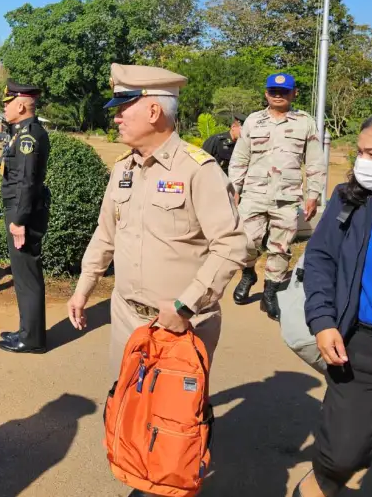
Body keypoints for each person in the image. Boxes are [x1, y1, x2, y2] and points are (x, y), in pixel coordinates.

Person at [67, 64, 250, 386]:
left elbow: (231, 245)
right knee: (123, 402)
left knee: (173, 412)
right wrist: (83, 289)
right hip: (126, 317)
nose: (116, 118)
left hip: (181, 323)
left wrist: (185, 306)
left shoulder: (198, 170)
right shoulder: (123, 169)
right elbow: (105, 234)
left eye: (123, 108)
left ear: (153, 112)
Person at [295, 110, 372, 497]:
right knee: (340, 456)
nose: (361, 162)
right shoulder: (350, 200)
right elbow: (320, 259)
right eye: (359, 152)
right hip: (362, 350)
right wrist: (323, 321)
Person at [228, 73, 326, 320]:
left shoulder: (305, 122)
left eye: (284, 91)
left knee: (280, 247)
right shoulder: (254, 121)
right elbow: (240, 158)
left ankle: (270, 292)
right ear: (266, 93)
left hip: (287, 197)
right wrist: (234, 189)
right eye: (273, 91)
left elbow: (315, 161)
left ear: (294, 94)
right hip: (254, 193)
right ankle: (248, 273)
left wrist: (313, 194)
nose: (278, 95)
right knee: (245, 242)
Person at [0, 81, 51, 354]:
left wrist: (19, 221)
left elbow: (27, 182)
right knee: (23, 275)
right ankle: (27, 330)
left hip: (23, 214)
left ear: (20, 105)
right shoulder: (21, 133)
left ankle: (32, 340)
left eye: (8, 104)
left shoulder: (29, 136)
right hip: (20, 211)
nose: (5, 108)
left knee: (27, 276)